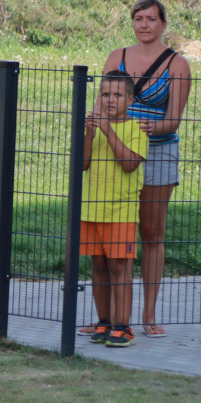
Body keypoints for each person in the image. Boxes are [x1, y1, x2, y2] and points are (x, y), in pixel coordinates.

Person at [89, 0, 192, 338]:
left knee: (152, 235)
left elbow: (173, 121)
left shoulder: (178, 65)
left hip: (158, 151)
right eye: (138, 18)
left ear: (163, 24)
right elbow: (102, 104)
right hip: (115, 152)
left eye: (151, 18)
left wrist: (149, 128)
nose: (144, 24)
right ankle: (108, 318)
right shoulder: (115, 57)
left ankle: (148, 316)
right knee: (109, 238)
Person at [81, 70, 149, 347]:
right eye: (105, 94)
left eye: (117, 95)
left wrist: (108, 131)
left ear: (130, 99)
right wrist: (88, 134)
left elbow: (129, 164)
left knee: (120, 268)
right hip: (91, 210)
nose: (110, 100)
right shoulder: (95, 128)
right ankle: (104, 322)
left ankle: (123, 326)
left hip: (120, 212)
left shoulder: (137, 129)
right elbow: (83, 164)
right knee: (98, 266)